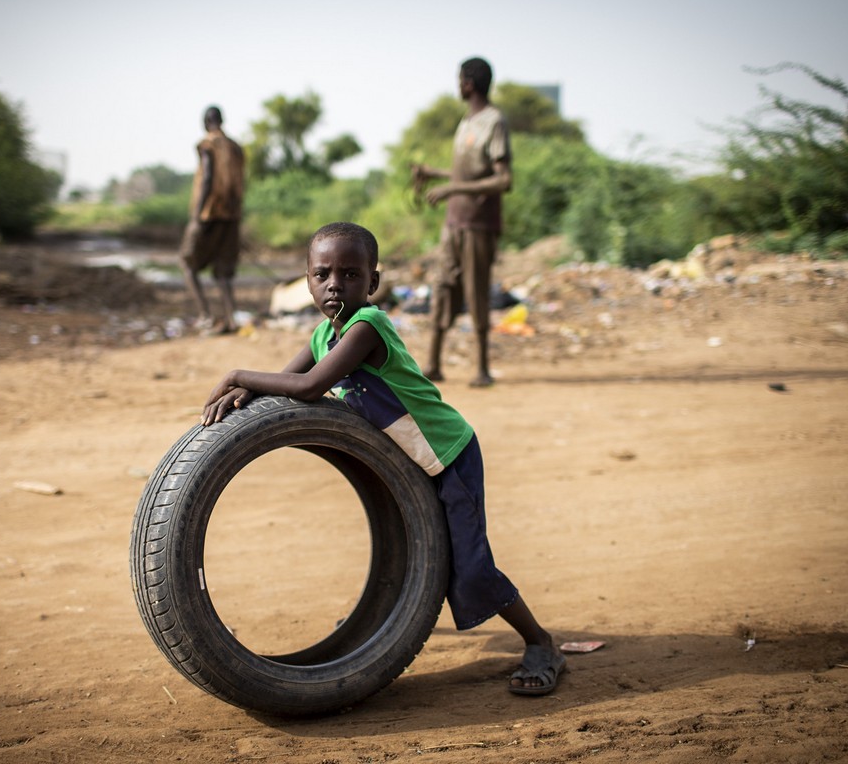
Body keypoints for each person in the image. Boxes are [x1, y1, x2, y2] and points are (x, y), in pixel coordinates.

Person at [201, 221, 566, 696]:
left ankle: (542, 643)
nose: (335, 284)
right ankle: (390, 619)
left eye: (351, 274)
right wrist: (246, 389)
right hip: (404, 459)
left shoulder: (367, 327)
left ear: (372, 283)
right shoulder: (320, 337)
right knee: (413, 548)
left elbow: (309, 387)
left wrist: (236, 372)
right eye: (322, 274)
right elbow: (282, 382)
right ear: (307, 281)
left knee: (470, 565)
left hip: (447, 455)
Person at [412, 56, 512, 387]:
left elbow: (503, 180)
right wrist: (433, 174)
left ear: (468, 83)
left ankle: (482, 368)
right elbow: (466, 172)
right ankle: (433, 364)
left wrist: (452, 187)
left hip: (478, 224)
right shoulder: (467, 121)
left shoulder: (494, 122)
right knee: (442, 286)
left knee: (476, 290)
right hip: (454, 223)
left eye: (459, 79)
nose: (457, 85)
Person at [181, 105, 245, 333]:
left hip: (209, 215)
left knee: (188, 263)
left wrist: (197, 214)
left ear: (205, 122)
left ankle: (205, 315)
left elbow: (208, 177)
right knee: (223, 271)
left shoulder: (207, 144)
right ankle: (231, 319)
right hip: (232, 216)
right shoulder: (236, 147)